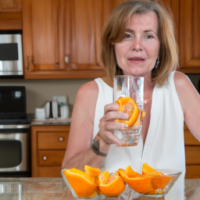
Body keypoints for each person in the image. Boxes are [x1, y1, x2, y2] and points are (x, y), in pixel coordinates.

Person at [62, 0, 200, 199]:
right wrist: (102, 142)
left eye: (149, 36)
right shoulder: (90, 94)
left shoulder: (178, 86)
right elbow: (69, 175)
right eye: (127, 36)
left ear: (161, 45)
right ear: (113, 42)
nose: (137, 46)